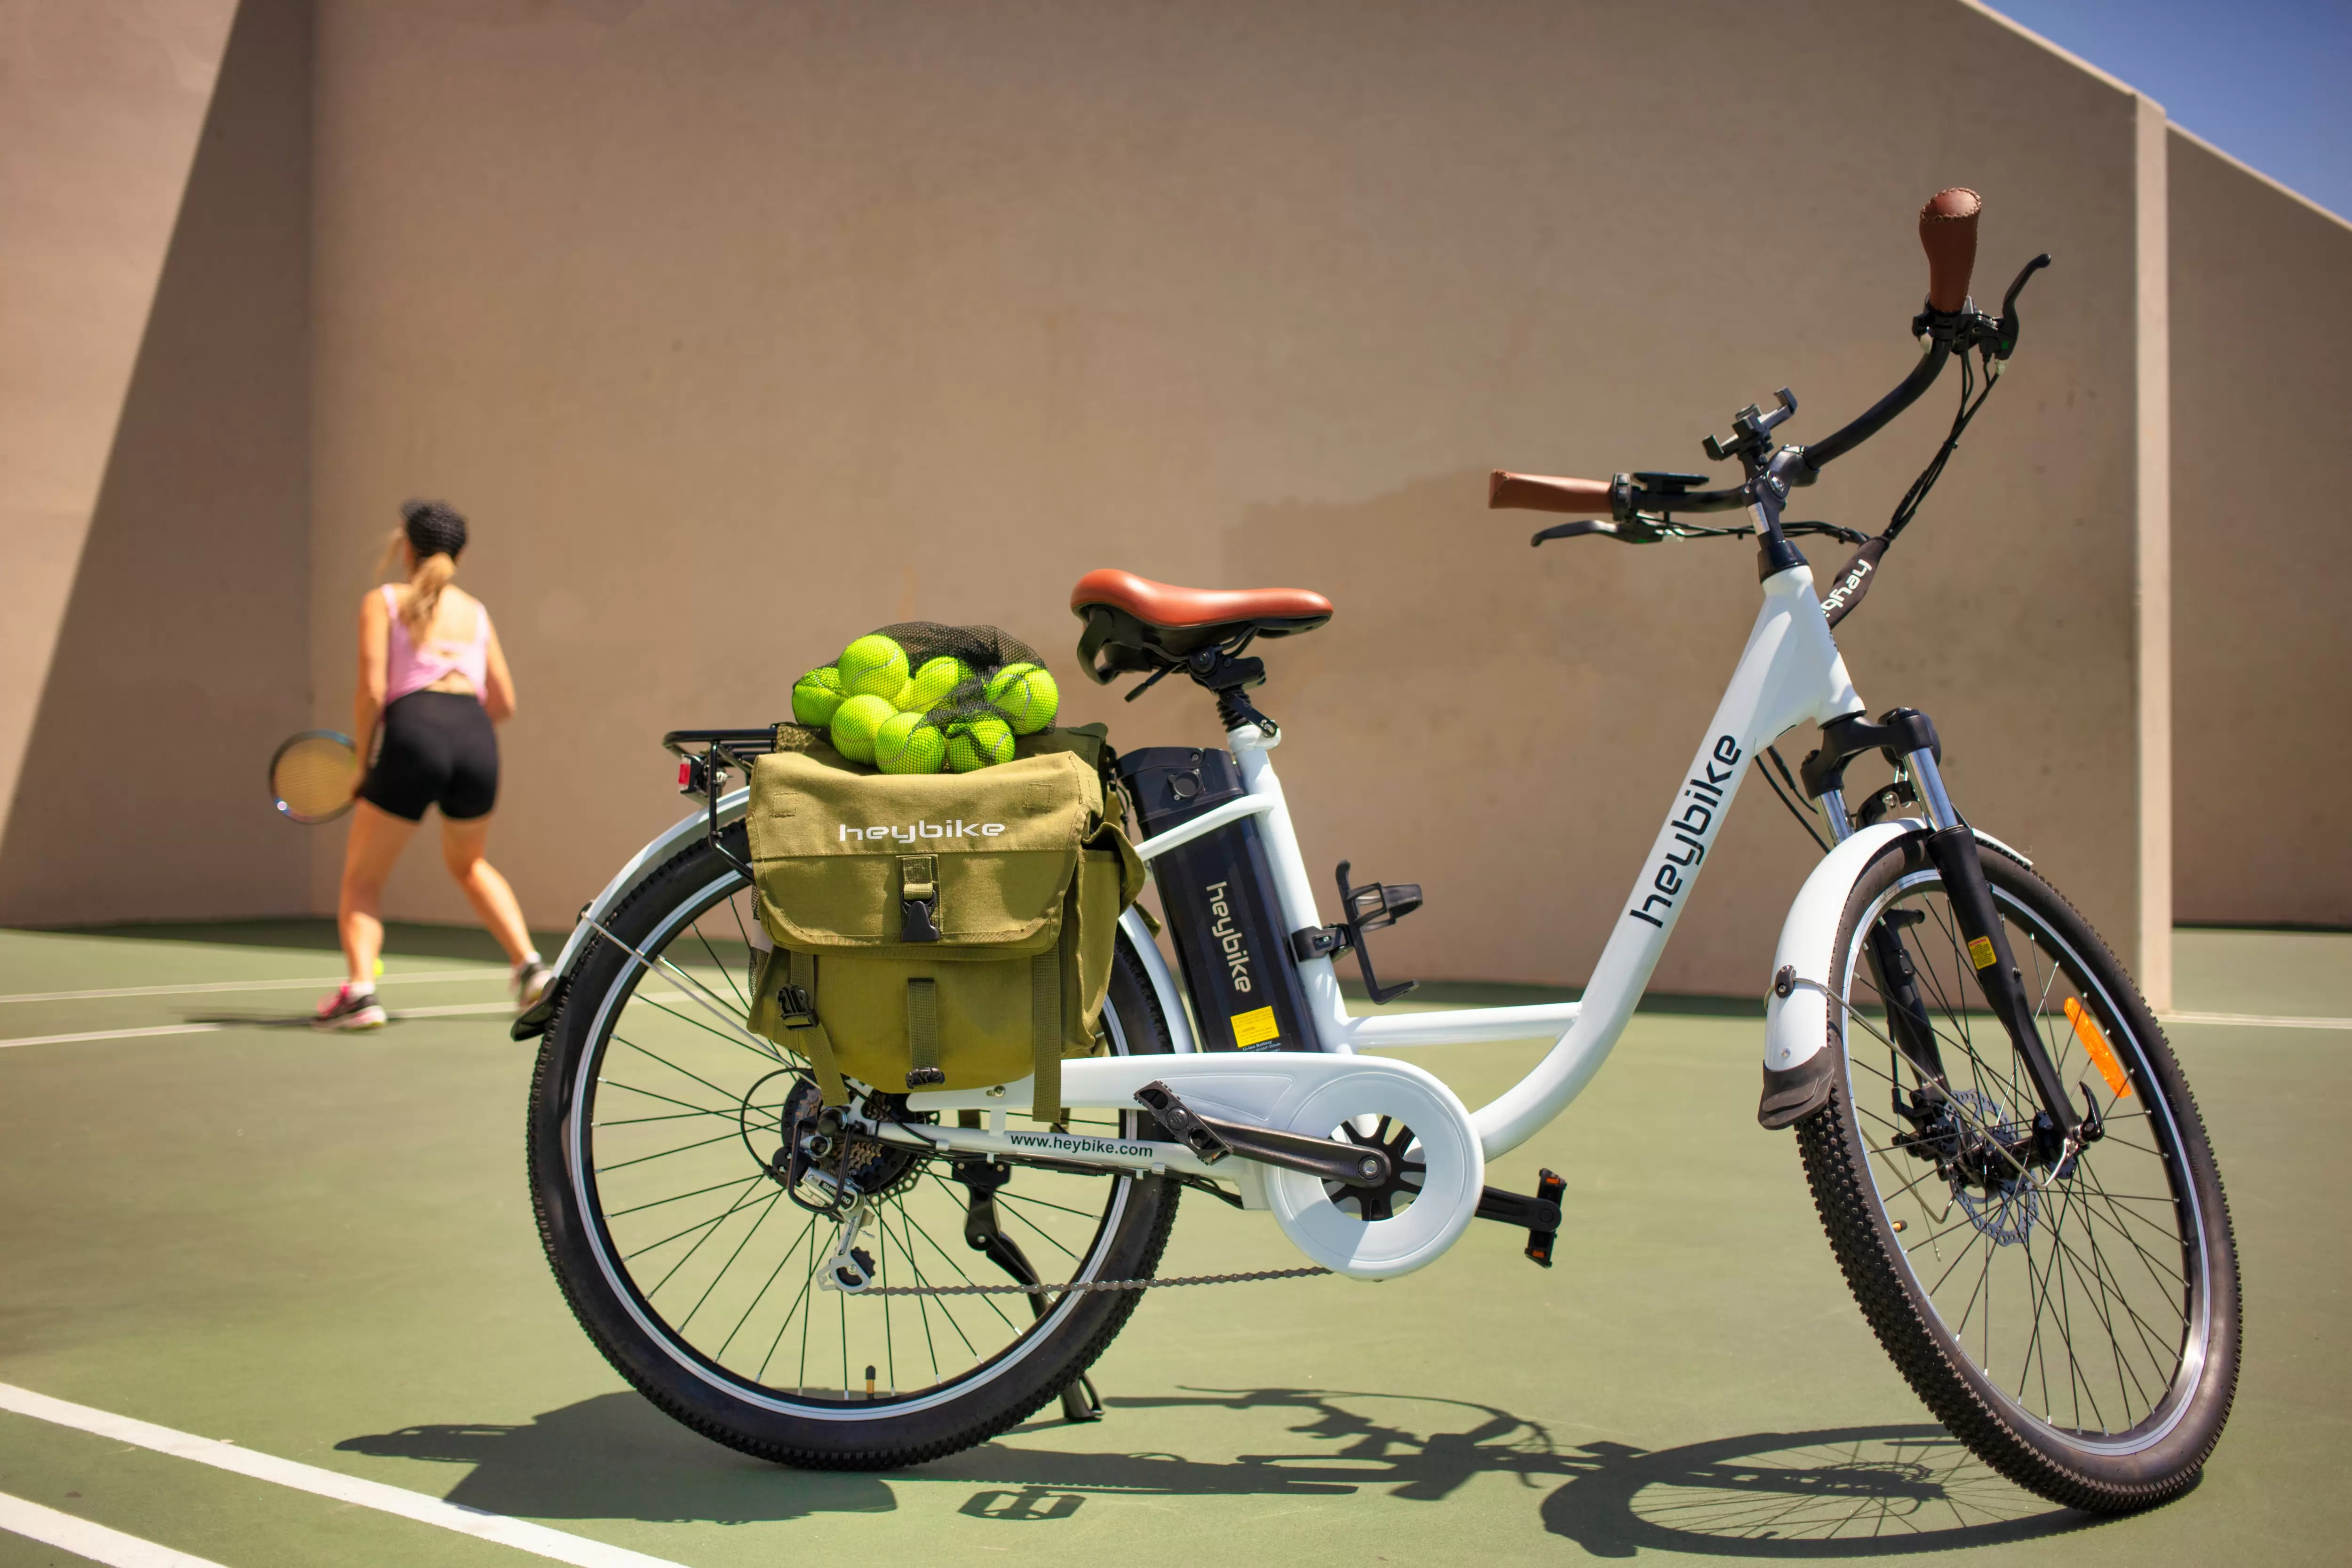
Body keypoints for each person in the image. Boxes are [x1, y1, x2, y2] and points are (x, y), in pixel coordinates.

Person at [315, 501, 551, 1029]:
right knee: (471, 865)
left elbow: (373, 690)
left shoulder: (384, 600)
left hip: (413, 732)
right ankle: (531, 969)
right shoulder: (476, 611)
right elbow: (505, 704)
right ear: (459, 554)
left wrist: (361, 762)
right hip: (475, 739)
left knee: (361, 880)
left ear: (406, 548)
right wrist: (457, 726)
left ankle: (360, 994)